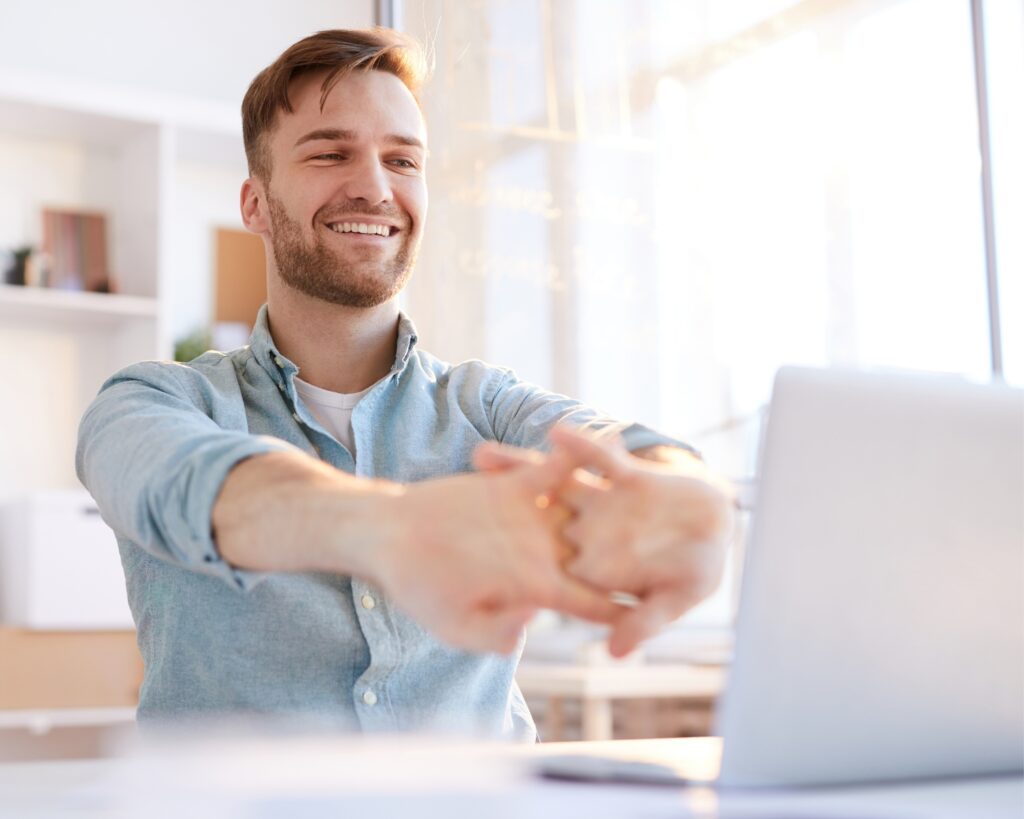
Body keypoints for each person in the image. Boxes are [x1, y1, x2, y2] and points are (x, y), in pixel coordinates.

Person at [76, 27, 733, 740]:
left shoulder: (486, 405)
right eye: (330, 153)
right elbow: (190, 484)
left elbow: (622, 446)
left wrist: (681, 486)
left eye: (402, 159)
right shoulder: (151, 400)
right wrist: (390, 530)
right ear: (255, 203)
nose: (375, 186)